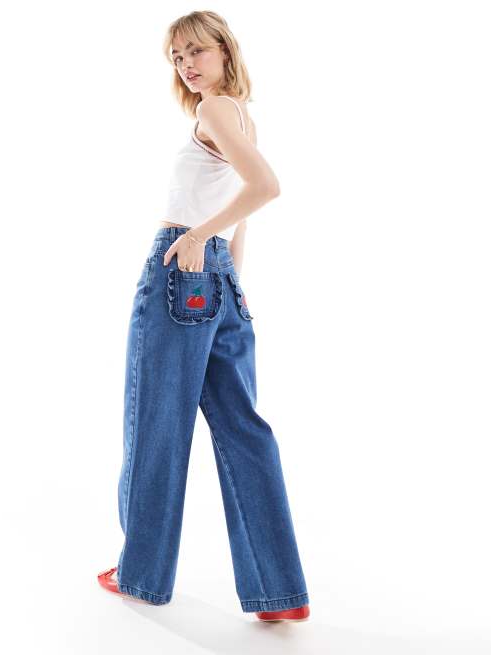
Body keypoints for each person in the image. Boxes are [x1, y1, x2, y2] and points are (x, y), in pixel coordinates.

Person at [97, 10, 310, 622]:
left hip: (181, 266)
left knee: (156, 423)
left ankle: (140, 575)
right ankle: (280, 593)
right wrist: (230, 279)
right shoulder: (240, 114)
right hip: (219, 281)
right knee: (243, 428)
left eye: (195, 51)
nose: (186, 65)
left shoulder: (214, 109)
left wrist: (194, 238)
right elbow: (243, 206)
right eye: (176, 57)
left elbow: (265, 186)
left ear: (224, 50)